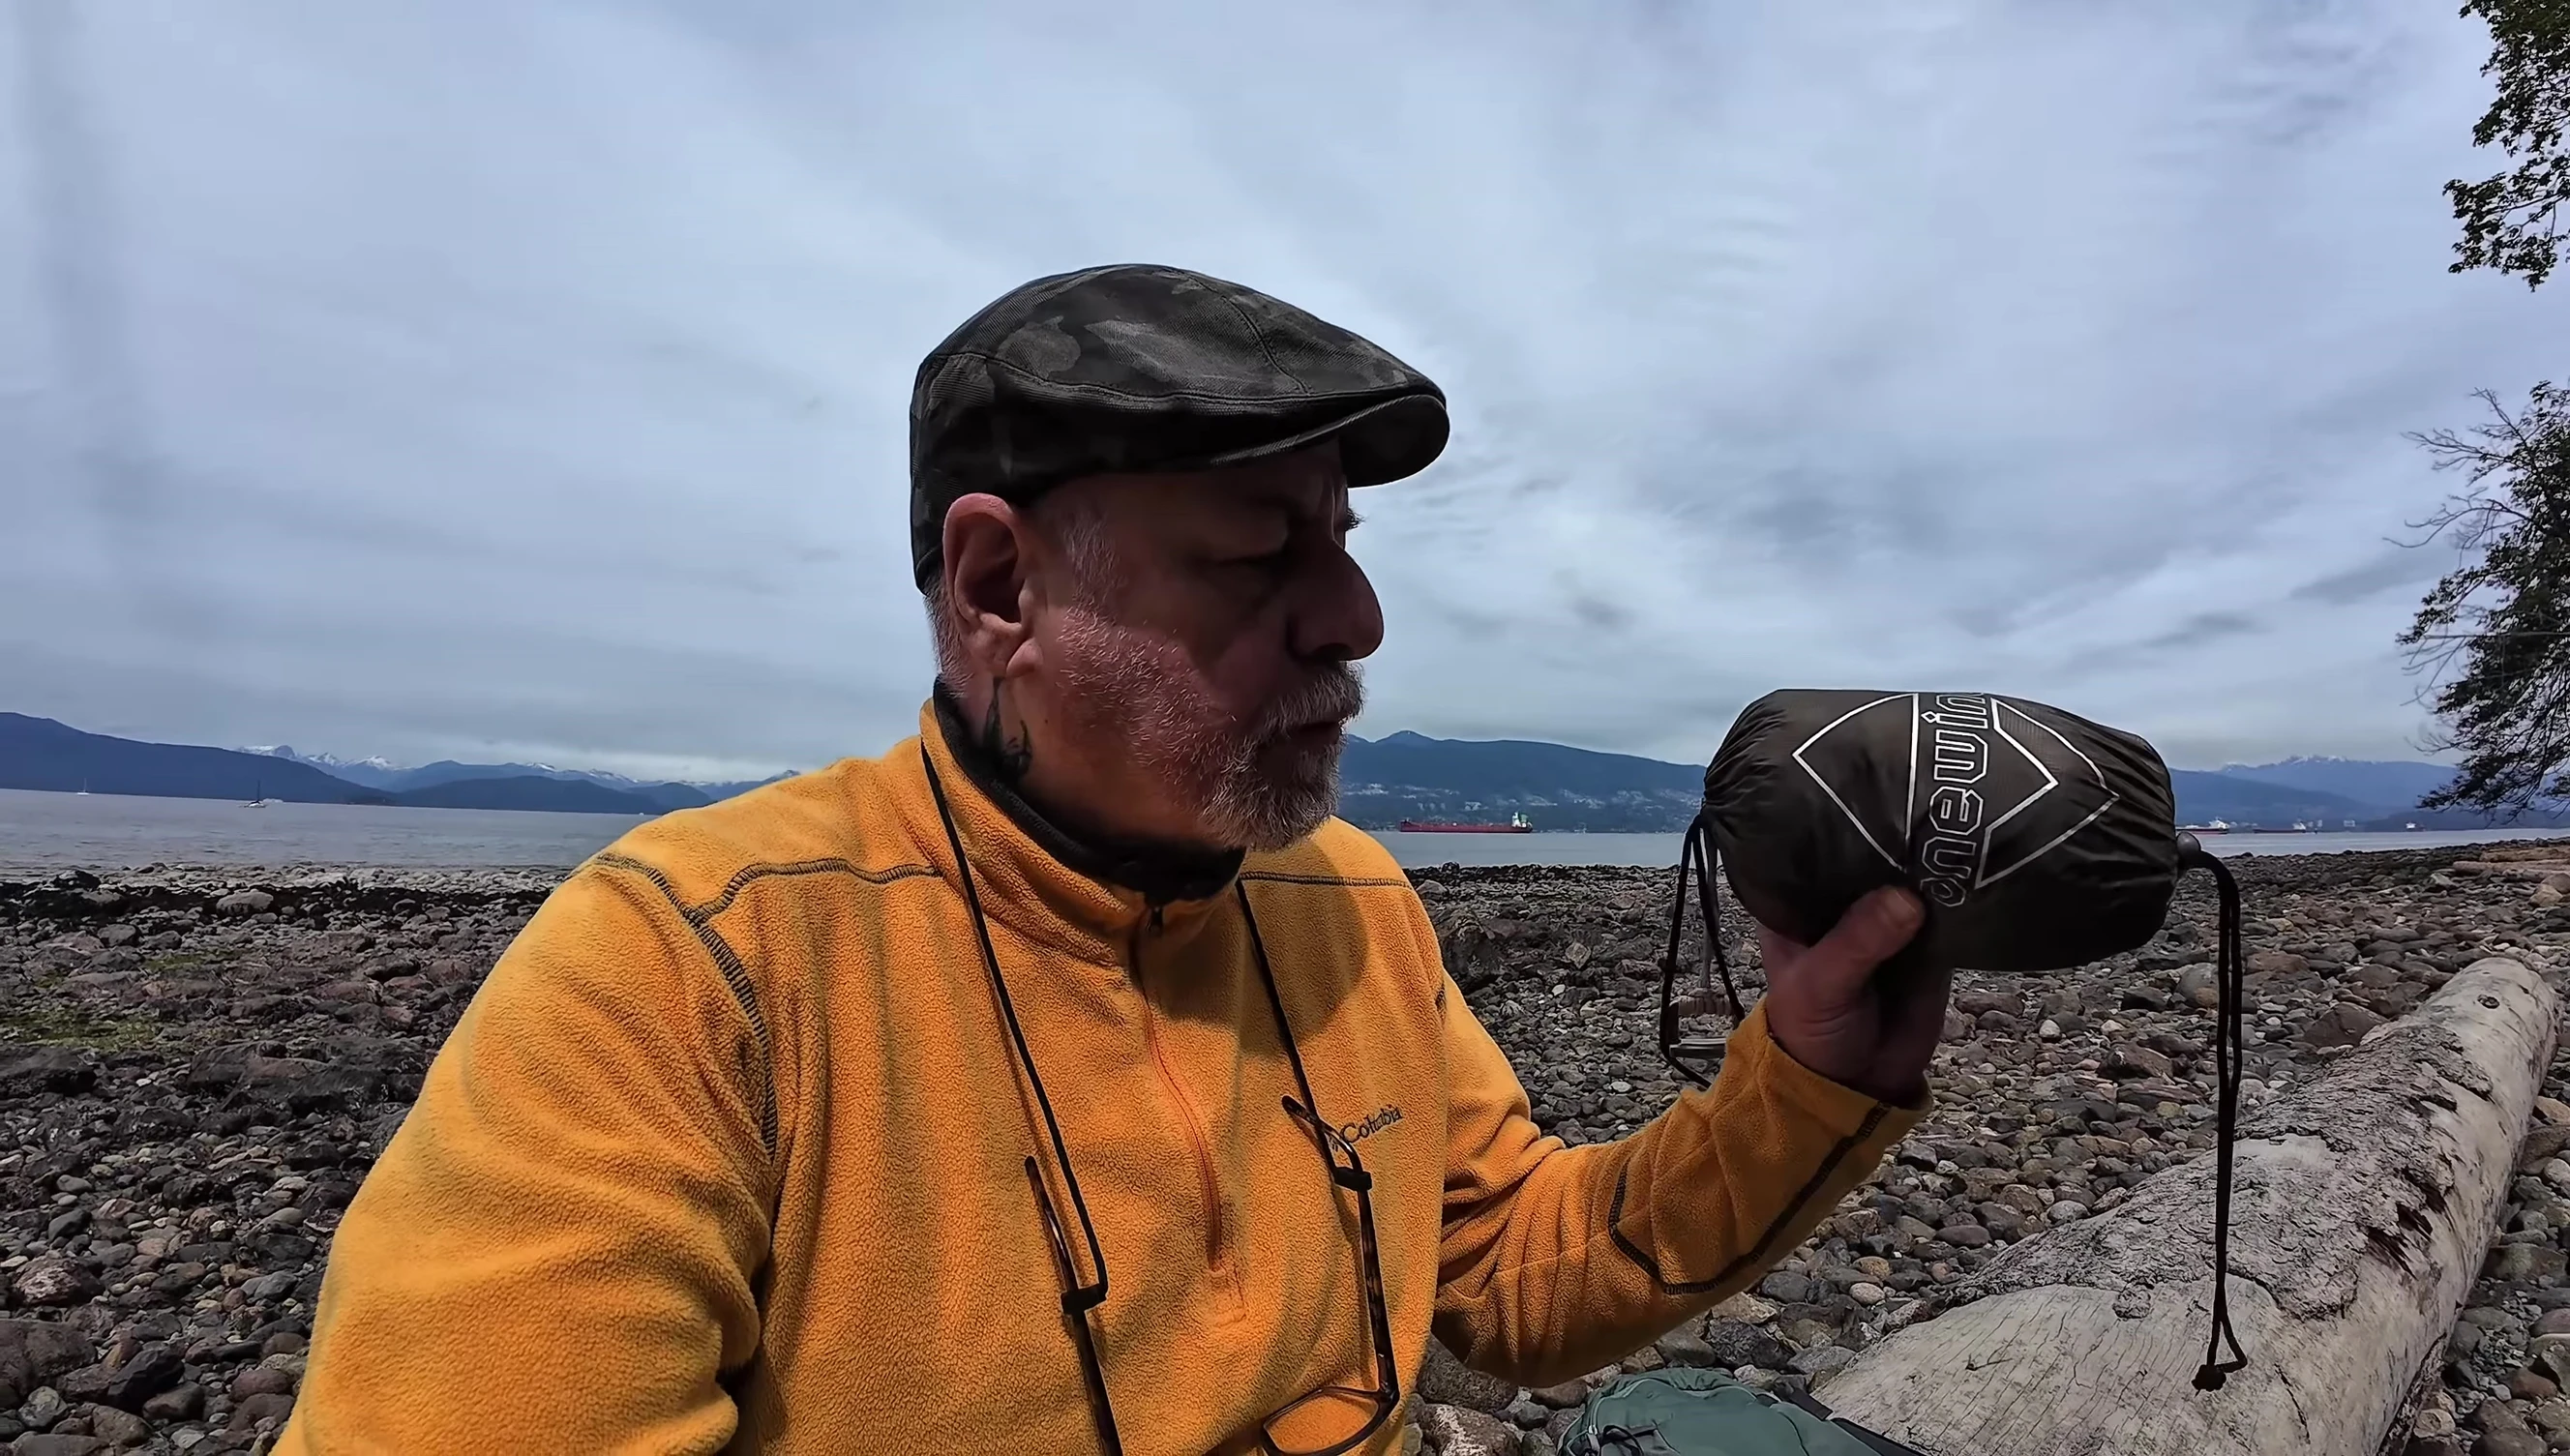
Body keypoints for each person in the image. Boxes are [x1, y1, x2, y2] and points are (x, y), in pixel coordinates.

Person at [277, 264, 1942, 1456]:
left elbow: (1509, 1278)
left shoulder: (1346, 898)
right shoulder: (694, 965)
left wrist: (1804, 1076)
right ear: (998, 589)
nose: (1354, 620)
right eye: (1255, 551)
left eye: (1345, 546)